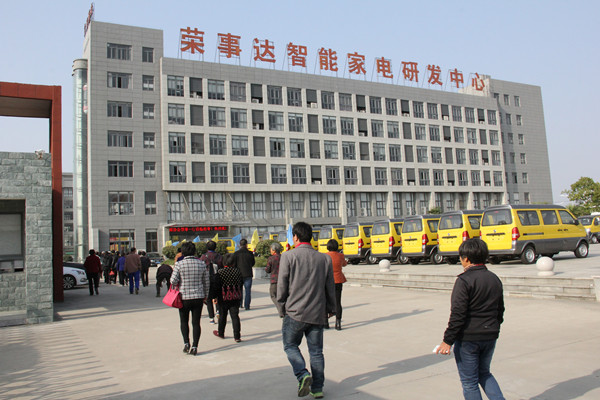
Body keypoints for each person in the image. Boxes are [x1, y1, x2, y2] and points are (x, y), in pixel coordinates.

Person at [436, 238, 505, 400]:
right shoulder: (494, 278)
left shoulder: (464, 281)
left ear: (466, 258)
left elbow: (458, 315)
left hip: (469, 339)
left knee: (469, 382)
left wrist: (447, 341)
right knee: (484, 373)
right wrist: (492, 327)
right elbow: (500, 310)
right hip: (490, 335)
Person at [277, 222, 336, 399]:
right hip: (317, 313)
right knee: (316, 352)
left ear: (295, 237)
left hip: (294, 312)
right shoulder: (324, 259)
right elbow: (330, 286)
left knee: (290, 345)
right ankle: (317, 388)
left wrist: (281, 306)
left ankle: (302, 374)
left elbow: (282, 285)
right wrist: (331, 307)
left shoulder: (288, 256)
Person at [170, 242, 210, 356]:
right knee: (196, 322)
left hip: (184, 297)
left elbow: (173, 280)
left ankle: (186, 343)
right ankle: (195, 346)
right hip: (198, 297)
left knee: (184, 321)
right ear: (194, 251)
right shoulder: (202, 264)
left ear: (183, 252)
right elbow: (206, 282)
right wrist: (206, 295)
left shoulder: (179, 264)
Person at [212, 253, 243, 342]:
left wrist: (214, 297)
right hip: (235, 296)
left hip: (223, 297)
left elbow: (216, 286)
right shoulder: (237, 271)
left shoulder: (220, 272)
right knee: (235, 316)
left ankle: (221, 333)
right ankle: (237, 336)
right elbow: (241, 283)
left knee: (222, 316)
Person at [200, 240, 223, 324]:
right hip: (217, 279)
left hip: (207, 280)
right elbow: (222, 267)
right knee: (218, 296)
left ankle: (211, 318)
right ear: (215, 247)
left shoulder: (203, 257)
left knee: (209, 299)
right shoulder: (219, 256)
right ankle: (218, 311)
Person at [326, 239, 348, 331]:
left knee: (326, 301)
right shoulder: (340, 255)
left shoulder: (325, 256)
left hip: (327, 281)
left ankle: (325, 322)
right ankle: (338, 322)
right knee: (338, 302)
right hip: (338, 280)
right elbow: (344, 264)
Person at [234, 239, 255, 310]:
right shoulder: (250, 253)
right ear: (246, 245)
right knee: (248, 291)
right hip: (248, 274)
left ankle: (240, 304)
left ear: (240, 245)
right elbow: (253, 263)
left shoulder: (236, 253)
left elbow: (234, 264)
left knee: (239, 290)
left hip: (238, 274)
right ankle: (247, 305)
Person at [265, 242, 284, 317]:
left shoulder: (271, 258)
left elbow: (268, 270)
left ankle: (281, 310)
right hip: (283, 279)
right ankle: (283, 309)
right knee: (282, 295)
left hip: (274, 280)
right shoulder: (283, 257)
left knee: (273, 295)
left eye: (271, 249)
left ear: (274, 250)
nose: (270, 250)